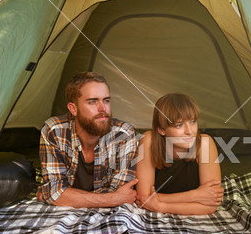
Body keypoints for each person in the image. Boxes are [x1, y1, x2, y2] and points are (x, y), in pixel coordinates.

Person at [38, 72, 137, 208]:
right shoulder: (55, 130)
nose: (103, 108)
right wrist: (112, 198)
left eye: (106, 100)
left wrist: (64, 195)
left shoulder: (124, 134)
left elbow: (124, 193)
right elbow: (54, 192)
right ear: (73, 109)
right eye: (92, 101)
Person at [135, 93, 223, 215]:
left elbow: (211, 206)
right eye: (179, 125)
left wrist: (160, 206)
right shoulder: (149, 140)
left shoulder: (205, 143)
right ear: (161, 130)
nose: (189, 131)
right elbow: (143, 198)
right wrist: (195, 195)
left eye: (192, 122)